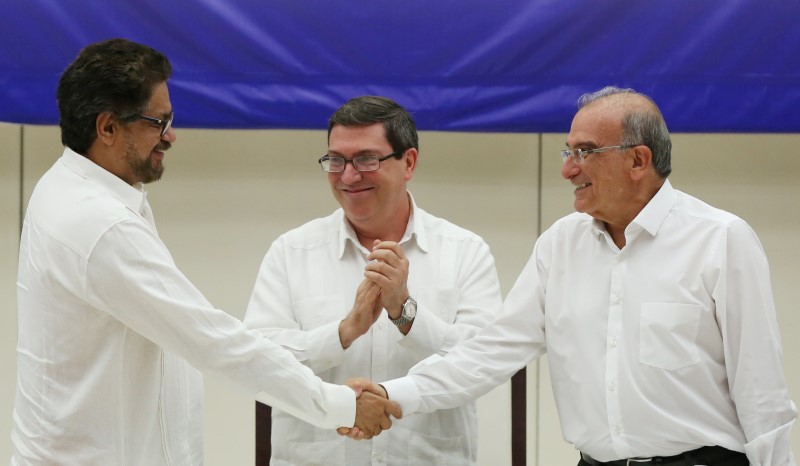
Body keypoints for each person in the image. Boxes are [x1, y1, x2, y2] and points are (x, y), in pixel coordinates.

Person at [12, 38, 400, 466]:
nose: (171, 135)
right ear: (107, 128)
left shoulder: (75, 187)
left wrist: (341, 336)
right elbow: (212, 341)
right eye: (157, 122)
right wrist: (338, 405)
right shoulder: (100, 225)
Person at [364, 86, 797, 465]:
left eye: (584, 152)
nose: (567, 169)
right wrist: (393, 394)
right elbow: (488, 353)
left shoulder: (721, 239)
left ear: (638, 160)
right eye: (567, 151)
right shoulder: (559, 246)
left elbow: (762, 394)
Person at [243, 95, 502, 465]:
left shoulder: (463, 251)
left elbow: (484, 364)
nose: (348, 175)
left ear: (408, 162)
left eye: (366, 159)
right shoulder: (291, 252)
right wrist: (344, 332)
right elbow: (259, 363)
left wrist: (406, 314)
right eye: (336, 160)